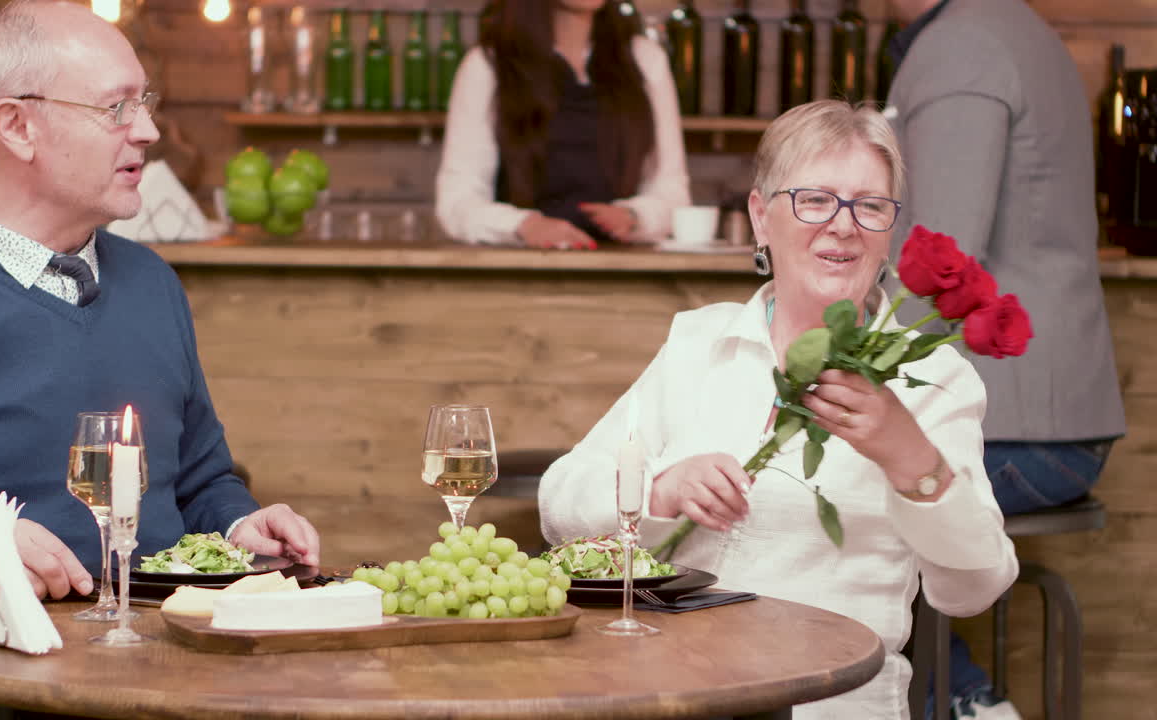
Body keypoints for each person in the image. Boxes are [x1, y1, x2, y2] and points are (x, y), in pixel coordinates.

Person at [0, 2, 320, 717]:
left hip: (179, 688)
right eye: (115, 107)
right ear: (17, 126)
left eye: (143, 102)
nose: (145, 130)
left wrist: (240, 526)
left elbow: (201, 478)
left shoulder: (153, 284)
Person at [539, 100, 1019, 720]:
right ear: (761, 218)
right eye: (815, 199)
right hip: (675, 695)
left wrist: (911, 459)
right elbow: (560, 504)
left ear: (888, 229)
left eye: (869, 205)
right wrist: (658, 490)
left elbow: (975, 588)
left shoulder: (932, 378)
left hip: (833, 707)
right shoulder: (699, 343)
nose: (843, 226)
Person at [884, 1, 1127, 717]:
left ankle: (962, 700)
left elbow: (937, 257)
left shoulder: (961, 46)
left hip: (1017, 428)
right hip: (1054, 425)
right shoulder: (1012, 27)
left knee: (814, 500)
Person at [435, 0, 690, 250]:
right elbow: (457, 200)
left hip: (627, 273)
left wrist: (635, 216)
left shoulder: (645, 59)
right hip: (519, 274)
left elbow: (672, 190)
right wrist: (524, 225)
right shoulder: (489, 63)